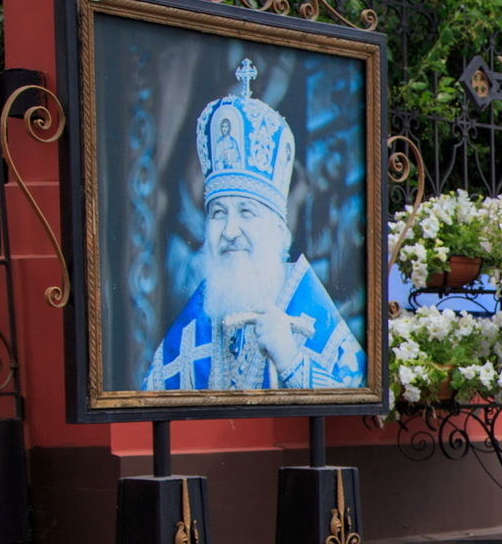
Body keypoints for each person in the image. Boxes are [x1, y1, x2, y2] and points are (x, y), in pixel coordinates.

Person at [142, 58, 365, 392]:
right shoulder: (191, 328)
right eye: (218, 213)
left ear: (277, 228)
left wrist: (290, 359)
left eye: (246, 212)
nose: (229, 230)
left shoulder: (307, 304)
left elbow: (358, 394)